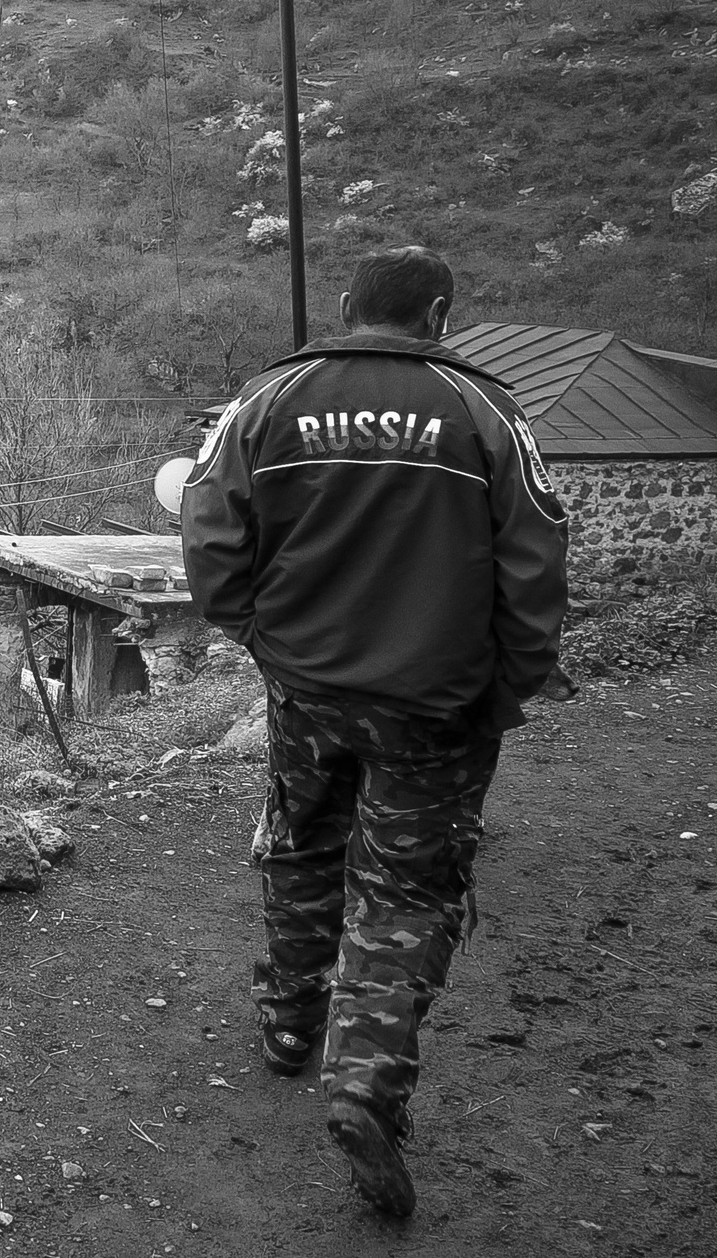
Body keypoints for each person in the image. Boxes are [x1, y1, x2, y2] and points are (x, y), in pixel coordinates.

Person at [180, 246, 570, 1219]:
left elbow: (208, 532)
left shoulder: (268, 399)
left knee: (302, 843)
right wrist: (505, 685)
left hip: (307, 689)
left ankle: (287, 1024)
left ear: (349, 305)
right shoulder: (486, 412)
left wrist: (262, 639)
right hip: (435, 706)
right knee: (406, 888)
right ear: (437, 313)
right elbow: (535, 559)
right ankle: (362, 1083)